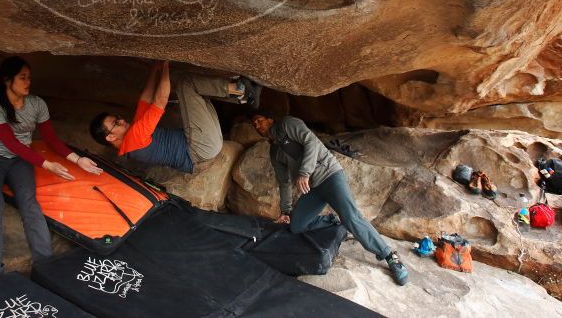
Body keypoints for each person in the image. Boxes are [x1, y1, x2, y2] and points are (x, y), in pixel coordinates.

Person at [250, 110, 409, 286]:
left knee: (352, 218)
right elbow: (284, 182)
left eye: (259, 120)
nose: (257, 125)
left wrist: (304, 172)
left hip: (330, 175)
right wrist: (285, 210)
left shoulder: (288, 124)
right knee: (296, 226)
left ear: (270, 119)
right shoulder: (274, 151)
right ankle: (333, 220)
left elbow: (311, 141)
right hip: (313, 188)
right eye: (254, 124)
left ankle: (390, 256)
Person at [0, 56, 102, 276]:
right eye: (22, 78)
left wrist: (77, 159)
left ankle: (45, 265)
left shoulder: (37, 104)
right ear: (7, 80)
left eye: (29, 78)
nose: (28, 82)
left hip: (20, 161)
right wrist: (47, 165)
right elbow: (12, 144)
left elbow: (51, 140)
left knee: (30, 203)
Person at [89, 60, 261, 173]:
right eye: (116, 122)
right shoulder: (134, 140)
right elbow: (160, 100)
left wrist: (154, 71)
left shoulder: (132, 136)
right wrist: (165, 65)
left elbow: (146, 100)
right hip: (200, 149)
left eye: (117, 117)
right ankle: (242, 90)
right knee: (186, 84)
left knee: (198, 95)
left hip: (203, 146)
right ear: (111, 136)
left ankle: (244, 95)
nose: (121, 120)